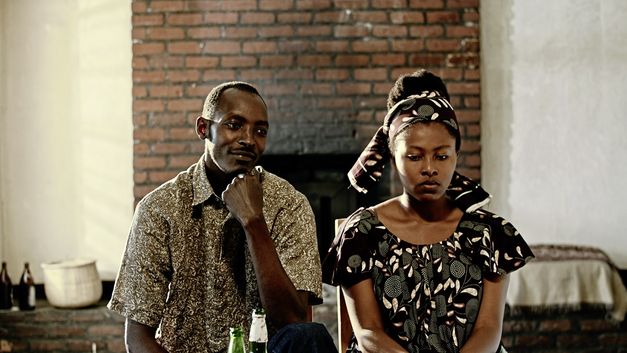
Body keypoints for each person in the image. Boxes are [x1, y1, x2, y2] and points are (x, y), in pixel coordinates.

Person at [108, 81, 337, 353]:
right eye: (234, 125)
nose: (249, 139)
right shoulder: (159, 209)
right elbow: (137, 337)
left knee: (311, 335)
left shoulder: (289, 204)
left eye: (260, 131)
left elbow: (295, 321)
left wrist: (254, 222)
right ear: (204, 128)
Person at [323, 70, 534, 353]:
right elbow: (368, 332)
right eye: (414, 156)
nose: (429, 168)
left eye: (442, 155)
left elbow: (489, 330)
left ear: (456, 154)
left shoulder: (489, 233)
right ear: (393, 156)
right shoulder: (362, 232)